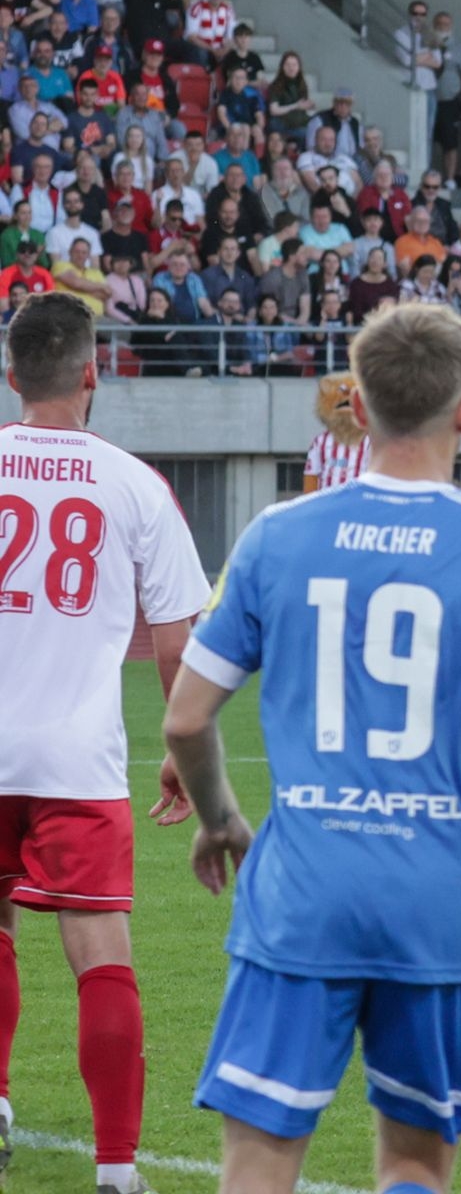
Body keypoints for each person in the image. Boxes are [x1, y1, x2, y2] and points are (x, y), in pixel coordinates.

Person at [161, 302, 461, 1194]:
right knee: (416, 1163)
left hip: (300, 893)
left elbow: (186, 718)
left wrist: (222, 819)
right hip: (438, 899)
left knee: (258, 1165)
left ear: (360, 403)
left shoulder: (277, 534)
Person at [0, 294, 207, 1194]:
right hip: (77, 760)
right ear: (93, 372)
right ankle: (118, 1171)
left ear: (11, 375)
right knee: (102, 957)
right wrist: (184, 751)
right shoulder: (135, 484)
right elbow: (176, 647)